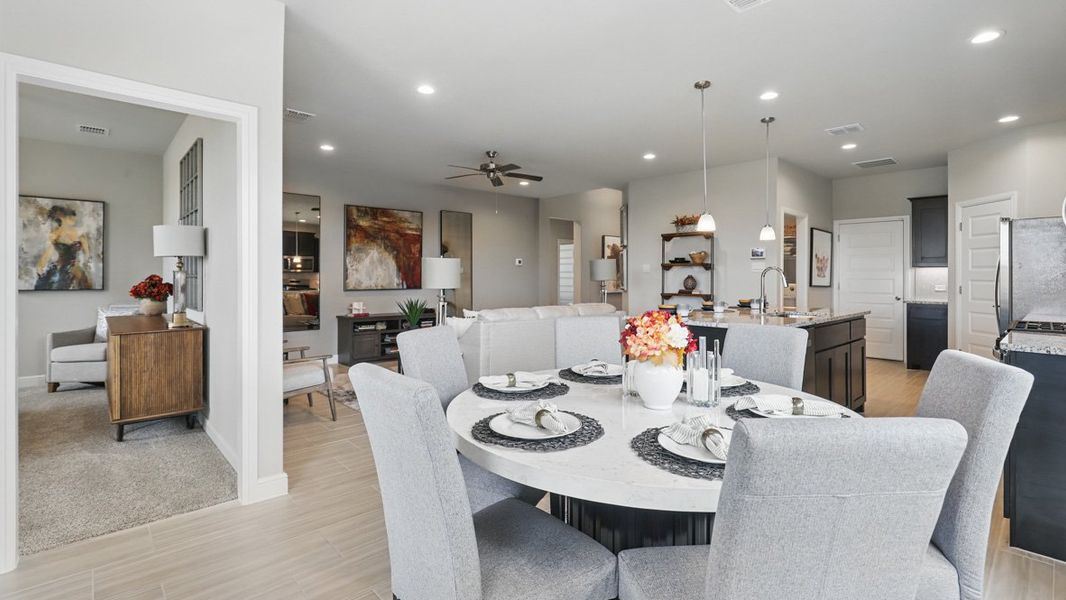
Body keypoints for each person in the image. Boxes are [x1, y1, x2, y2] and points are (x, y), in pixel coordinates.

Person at [34, 205, 93, 290]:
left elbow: (87, 254)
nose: (74, 220)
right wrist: (41, 265)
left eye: (73, 217)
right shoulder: (54, 234)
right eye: (71, 217)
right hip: (59, 268)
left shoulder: (80, 235)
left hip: (74, 268)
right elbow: (48, 253)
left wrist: (85, 262)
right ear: (63, 218)